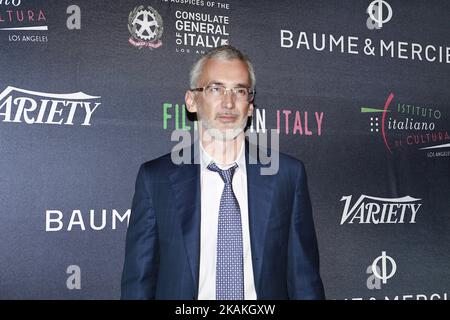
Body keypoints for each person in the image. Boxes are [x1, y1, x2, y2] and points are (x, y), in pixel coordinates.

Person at [121, 45, 325, 300]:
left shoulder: (287, 175)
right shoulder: (156, 179)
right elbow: (139, 282)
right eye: (215, 89)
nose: (228, 102)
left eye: (239, 91)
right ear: (192, 100)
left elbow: (304, 280)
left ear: (250, 106)